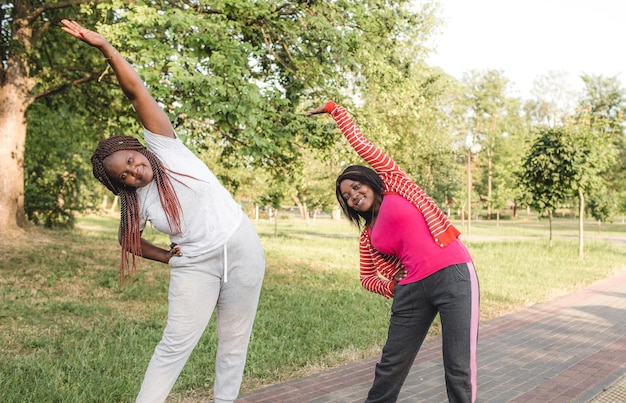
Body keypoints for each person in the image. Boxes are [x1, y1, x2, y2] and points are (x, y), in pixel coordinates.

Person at [61, 20, 265, 403]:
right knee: (174, 345)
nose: (135, 172)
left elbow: (135, 91)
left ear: (138, 148)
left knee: (234, 341)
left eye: (133, 161)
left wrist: (106, 47)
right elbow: (128, 239)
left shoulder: (166, 147)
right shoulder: (136, 200)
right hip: (194, 266)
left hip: (242, 248)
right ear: (121, 184)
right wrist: (167, 257)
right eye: (125, 176)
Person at [307, 101, 480, 403]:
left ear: (369, 181)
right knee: (390, 366)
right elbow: (366, 278)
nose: (353, 196)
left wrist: (334, 110)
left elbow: (359, 142)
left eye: (356, 187)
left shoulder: (394, 182)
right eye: (346, 197)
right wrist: (390, 284)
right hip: (411, 290)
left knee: (458, 365)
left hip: (453, 274)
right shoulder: (367, 236)